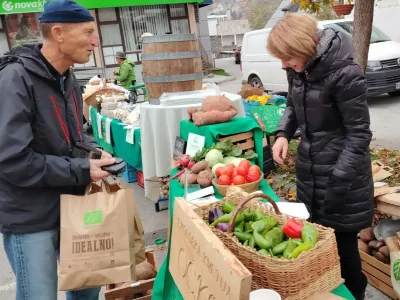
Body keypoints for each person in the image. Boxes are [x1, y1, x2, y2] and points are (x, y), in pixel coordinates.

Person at [0, 0, 116, 299]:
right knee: (39, 295)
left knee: (88, 291)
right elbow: (13, 161)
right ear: (58, 32)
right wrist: (80, 168)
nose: (95, 41)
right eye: (88, 31)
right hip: (31, 218)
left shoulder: (70, 81)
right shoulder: (14, 79)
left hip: (73, 209)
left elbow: (70, 143)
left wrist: (92, 155)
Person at [268, 13, 373, 300]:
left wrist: (338, 181)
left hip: (343, 178)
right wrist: (282, 135)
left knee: (344, 249)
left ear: (304, 48)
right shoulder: (299, 68)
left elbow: (359, 134)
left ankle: (355, 294)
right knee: (318, 244)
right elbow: (292, 105)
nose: (283, 64)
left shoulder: (346, 74)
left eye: (287, 57)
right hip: (310, 171)